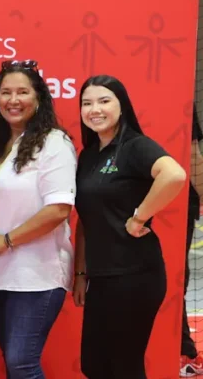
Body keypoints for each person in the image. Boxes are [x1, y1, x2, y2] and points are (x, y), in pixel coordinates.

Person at [73, 75, 187, 379]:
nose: (94, 109)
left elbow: (174, 175)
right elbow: (86, 218)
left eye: (104, 100)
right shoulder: (88, 156)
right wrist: (81, 273)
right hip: (102, 277)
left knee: (124, 367)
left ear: (122, 107)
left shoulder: (135, 146)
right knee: (94, 366)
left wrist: (139, 217)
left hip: (135, 275)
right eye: (87, 103)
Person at [0, 60, 76, 378]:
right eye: (6, 92)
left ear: (38, 98)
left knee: (21, 363)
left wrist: (6, 241)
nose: (13, 99)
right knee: (13, 362)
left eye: (22, 91)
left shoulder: (54, 143)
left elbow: (59, 208)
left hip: (38, 274)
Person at [181, 103, 203, 377]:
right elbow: (192, 155)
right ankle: (181, 351)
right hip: (174, 208)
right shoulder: (180, 92)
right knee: (175, 279)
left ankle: (182, 349)